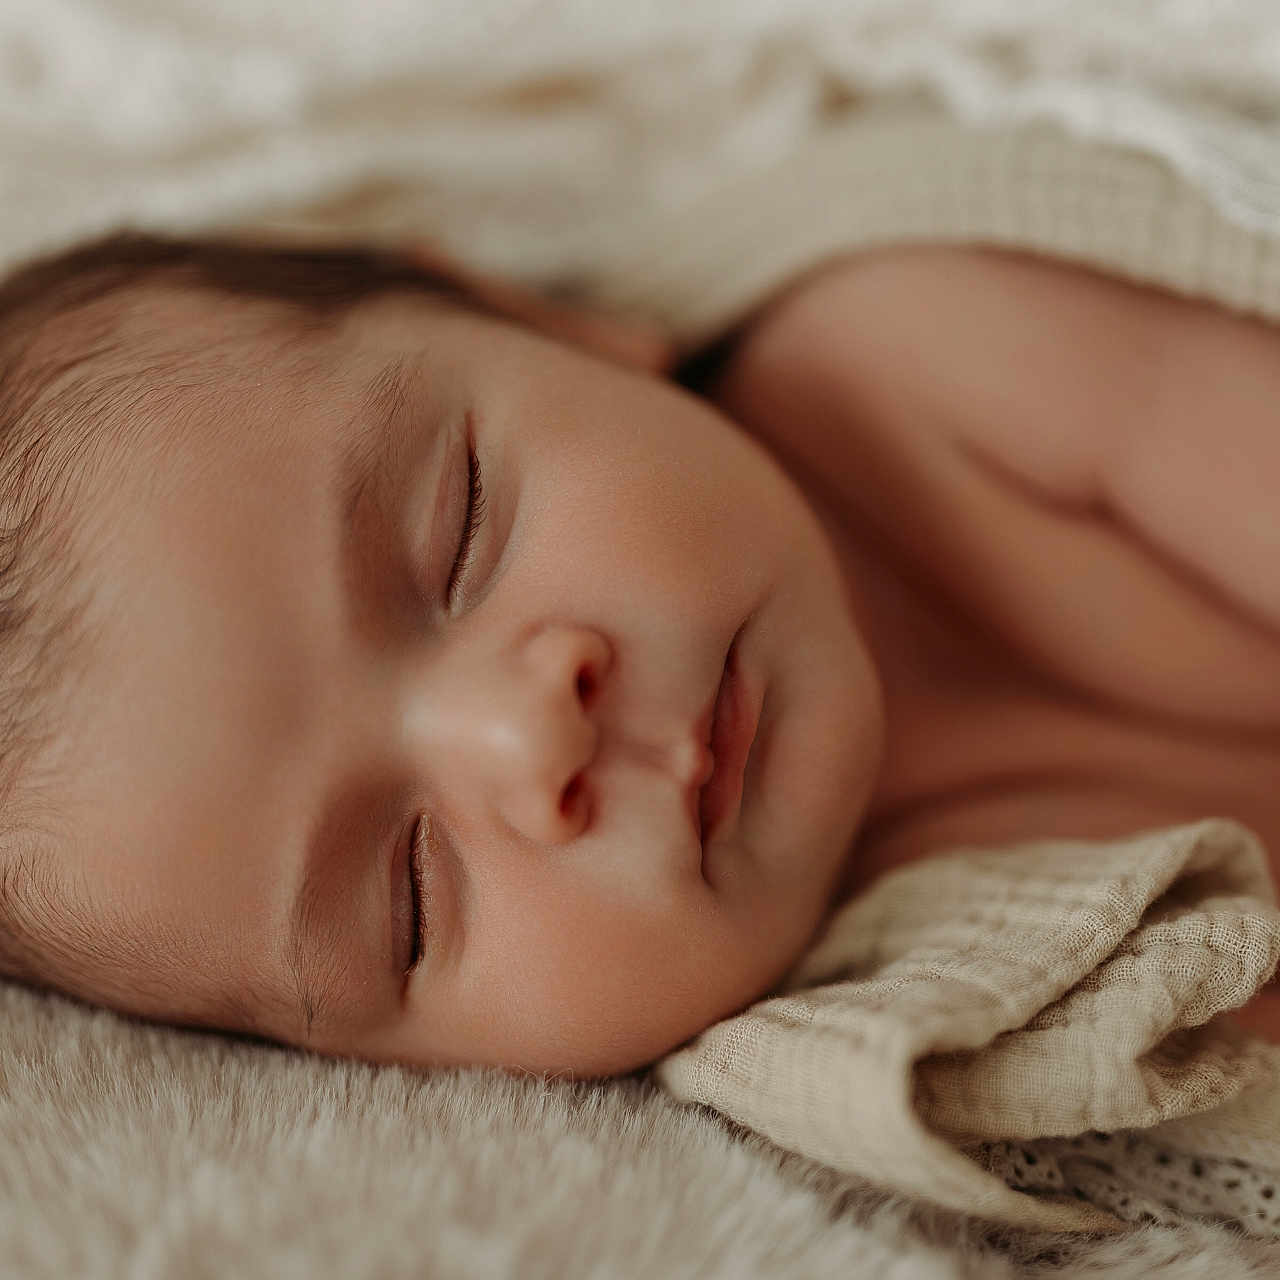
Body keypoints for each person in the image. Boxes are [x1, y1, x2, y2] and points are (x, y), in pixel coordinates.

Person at [1, 231, 1278, 1078]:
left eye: (456, 535)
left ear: (546, 321)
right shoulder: (953, 1026)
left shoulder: (924, 363)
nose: (528, 735)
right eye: (407, 897)